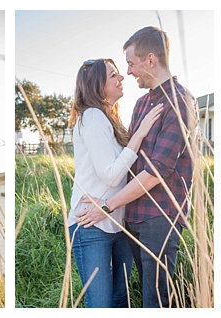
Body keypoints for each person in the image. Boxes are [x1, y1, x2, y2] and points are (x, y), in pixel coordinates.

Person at [79, 26, 198, 308]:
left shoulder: (180, 102)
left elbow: (157, 170)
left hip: (159, 217)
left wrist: (106, 205)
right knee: (142, 296)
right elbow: (127, 161)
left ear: (151, 60)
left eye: (131, 64)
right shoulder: (142, 104)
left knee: (155, 301)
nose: (128, 72)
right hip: (132, 216)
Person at [67, 58, 162, 308]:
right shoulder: (93, 117)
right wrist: (139, 134)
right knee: (101, 304)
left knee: (121, 299)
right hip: (90, 225)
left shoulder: (109, 118)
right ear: (97, 85)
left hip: (116, 222)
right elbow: (111, 174)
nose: (121, 78)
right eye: (113, 75)